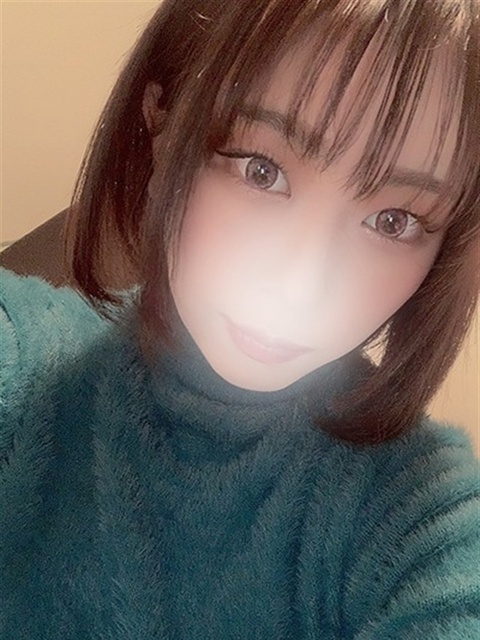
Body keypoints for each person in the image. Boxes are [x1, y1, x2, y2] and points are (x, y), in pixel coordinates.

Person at [1, 0, 479, 637]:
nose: (302, 285)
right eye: (262, 170)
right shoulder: (23, 362)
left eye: (394, 221)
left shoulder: (423, 515)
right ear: (162, 125)